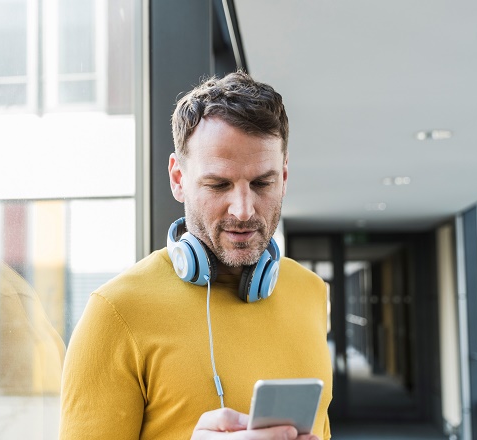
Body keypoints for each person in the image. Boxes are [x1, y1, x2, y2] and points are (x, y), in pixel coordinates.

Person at [60, 71, 332, 440]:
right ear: (178, 178)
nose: (243, 210)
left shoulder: (311, 291)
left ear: (284, 178)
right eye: (218, 184)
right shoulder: (115, 312)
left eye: (262, 183)